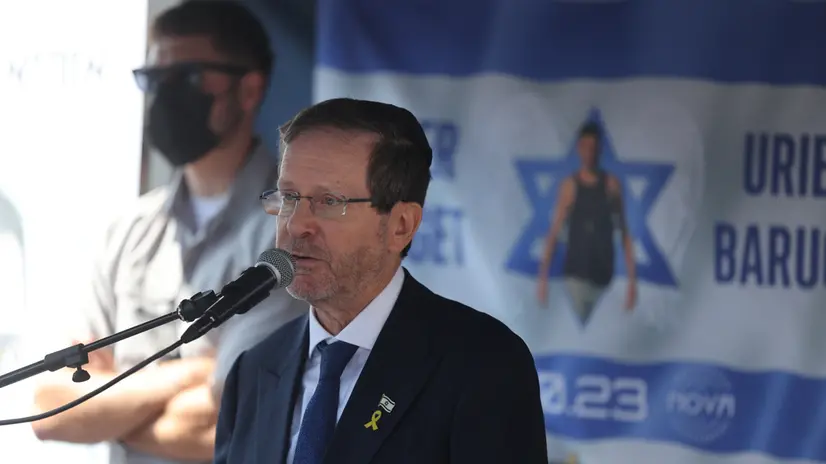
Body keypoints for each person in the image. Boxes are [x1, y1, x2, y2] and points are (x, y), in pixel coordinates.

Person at [30, 2, 305, 463]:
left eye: (190, 77)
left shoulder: (292, 235)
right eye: (154, 80)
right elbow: (51, 407)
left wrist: (107, 411)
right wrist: (191, 375)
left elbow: (233, 419)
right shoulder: (128, 231)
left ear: (250, 88)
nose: (167, 95)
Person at [213, 98, 548, 464]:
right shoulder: (255, 371)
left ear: (401, 226)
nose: (296, 225)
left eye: (329, 201)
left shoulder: (483, 366)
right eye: (290, 197)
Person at [536, 121, 637, 325]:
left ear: (600, 150)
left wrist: (632, 282)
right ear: (579, 149)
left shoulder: (611, 186)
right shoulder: (569, 186)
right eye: (586, 147)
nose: (590, 153)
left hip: (604, 277)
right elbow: (554, 233)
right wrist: (543, 278)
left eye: (594, 148)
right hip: (576, 276)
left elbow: (624, 233)